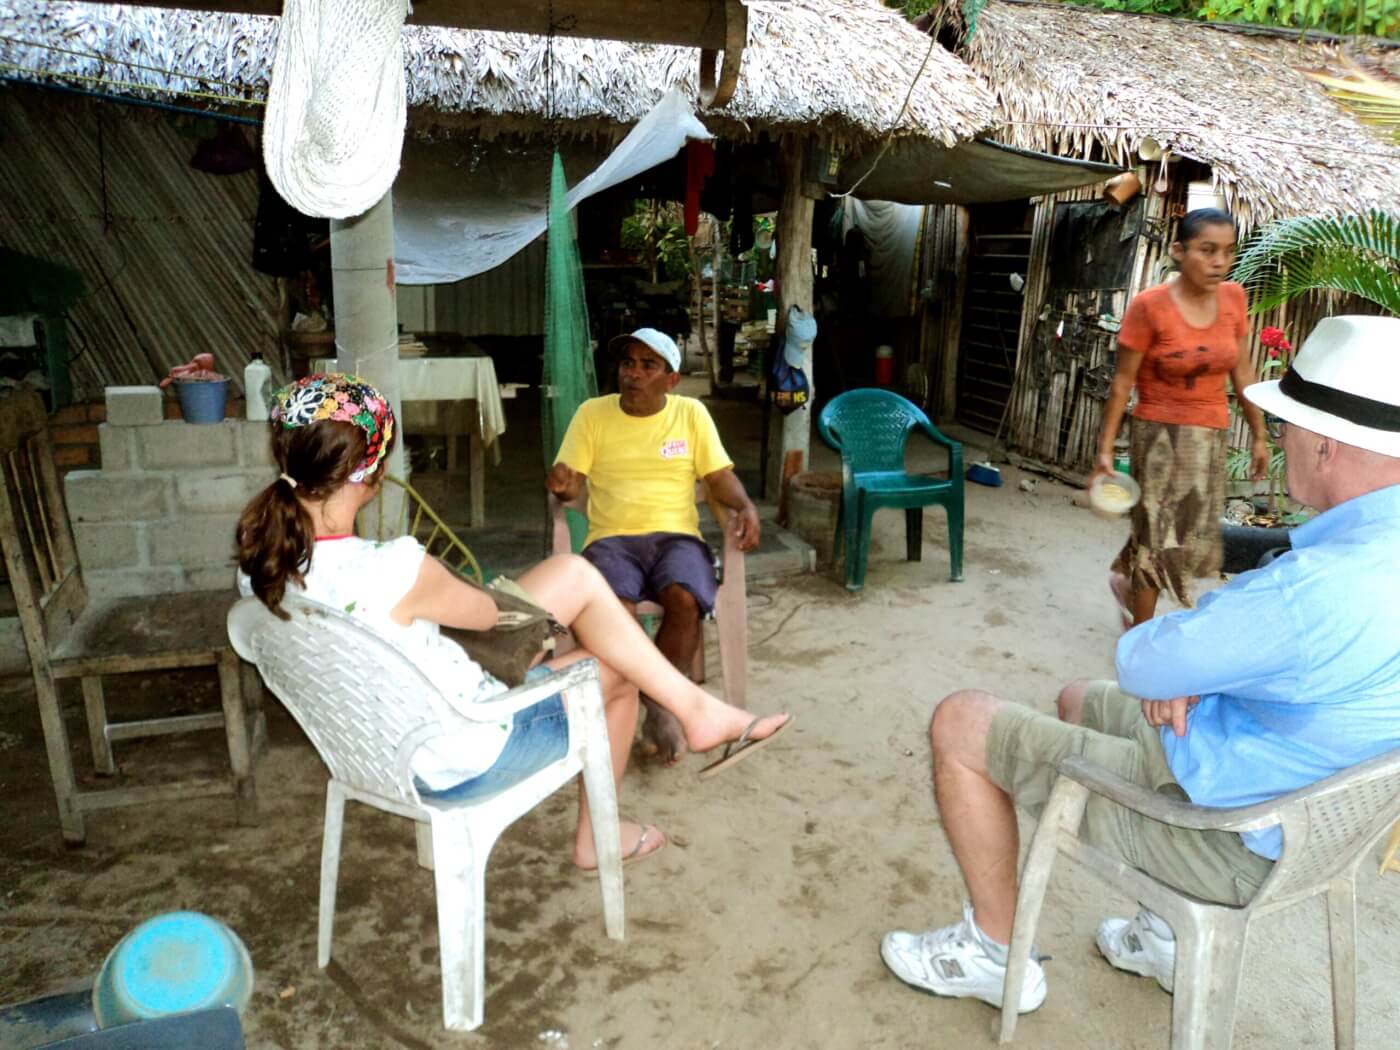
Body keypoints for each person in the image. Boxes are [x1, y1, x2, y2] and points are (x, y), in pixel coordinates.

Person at [880, 316, 1400, 1013]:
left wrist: (1178, 662)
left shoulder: (1312, 593)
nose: (1281, 440)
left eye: (1286, 427)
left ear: (1327, 444)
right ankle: (1162, 937)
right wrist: (1191, 669)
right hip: (1313, 820)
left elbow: (1144, 659)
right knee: (1077, 697)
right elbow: (1235, 644)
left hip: (1226, 840)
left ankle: (994, 954)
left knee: (961, 721)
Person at [237, 373, 790, 870]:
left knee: (572, 573)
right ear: (374, 473)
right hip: (465, 751)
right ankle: (602, 833)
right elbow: (487, 617)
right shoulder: (397, 567)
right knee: (619, 670)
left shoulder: (262, 564)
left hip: (377, 743)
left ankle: (693, 710)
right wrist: (449, 582)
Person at [546, 329, 761, 766]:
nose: (634, 373)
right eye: (628, 363)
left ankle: (658, 704)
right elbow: (571, 483)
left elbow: (717, 477)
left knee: (684, 597)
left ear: (671, 379)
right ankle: (656, 701)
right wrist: (564, 488)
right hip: (611, 540)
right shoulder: (592, 414)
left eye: (649, 366)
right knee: (613, 611)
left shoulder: (691, 414)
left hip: (676, 538)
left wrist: (745, 505)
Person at [1091, 208, 1270, 627]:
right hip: (1159, 435)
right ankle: (1140, 635)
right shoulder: (1149, 306)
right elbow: (1123, 383)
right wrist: (1104, 450)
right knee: (1159, 539)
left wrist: (1259, 434)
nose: (1219, 262)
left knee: (1186, 534)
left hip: (1210, 434)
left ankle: (1126, 580)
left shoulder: (1234, 298)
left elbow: (1243, 371)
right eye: (1207, 250)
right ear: (1179, 250)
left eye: (1228, 251)